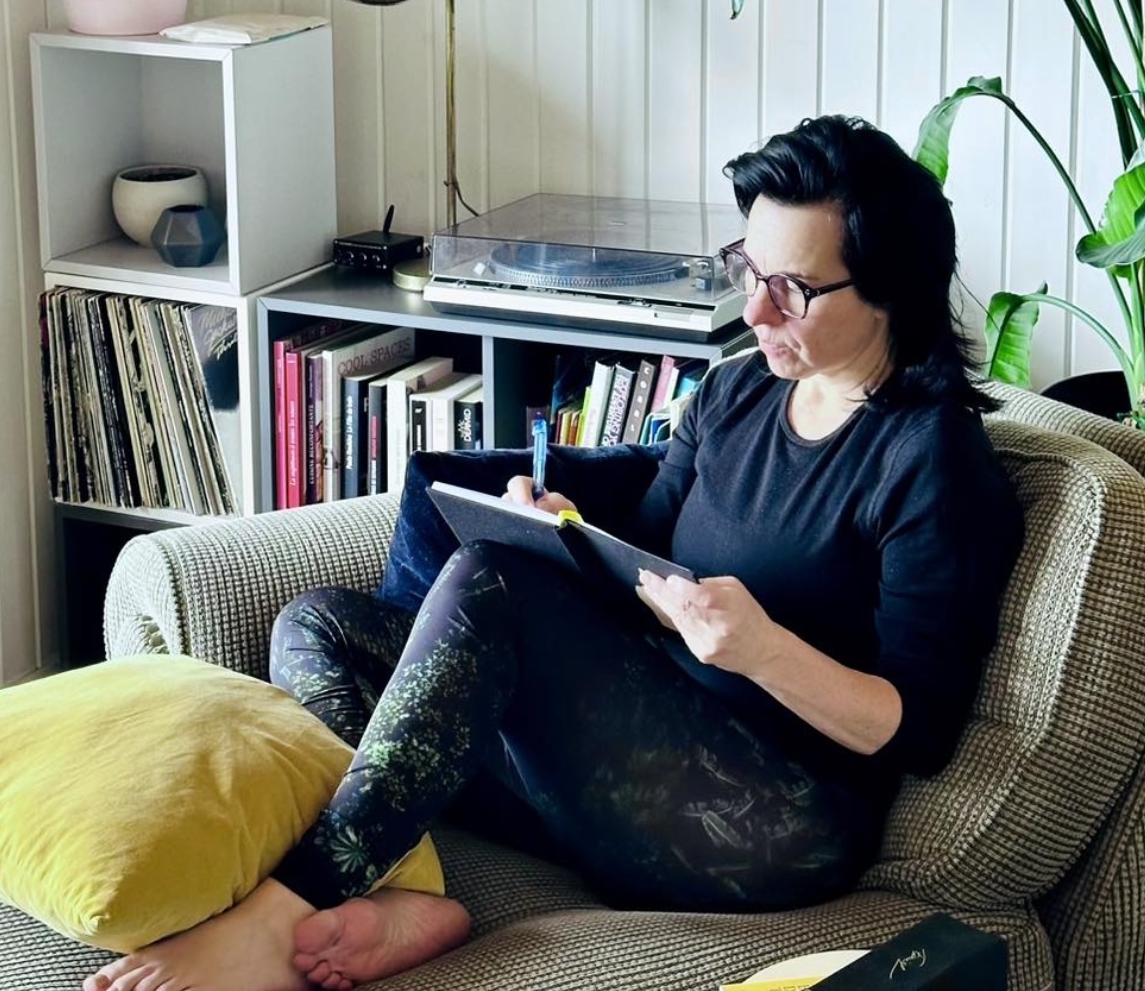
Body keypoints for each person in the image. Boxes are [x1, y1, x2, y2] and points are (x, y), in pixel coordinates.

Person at [83, 115, 1025, 991]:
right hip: (622, 757)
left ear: (890, 288)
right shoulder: (735, 393)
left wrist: (764, 650)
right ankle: (399, 888)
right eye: (750, 269)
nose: (756, 310)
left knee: (494, 587)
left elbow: (920, 726)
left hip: (774, 817)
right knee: (318, 622)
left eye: (794, 290)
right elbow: (649, 551)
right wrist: (567, 529)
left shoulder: (930, 458)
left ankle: (292, 902)